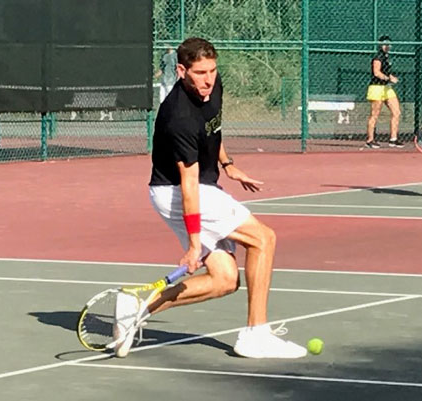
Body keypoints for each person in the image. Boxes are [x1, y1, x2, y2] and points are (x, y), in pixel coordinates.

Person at [113, 37, 307, 359]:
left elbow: (212, 130)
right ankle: (256, 334)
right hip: (178, 191)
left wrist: (228, 165)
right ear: (181, 71)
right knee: (263, 239)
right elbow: (188, 185)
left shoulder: (212, 88)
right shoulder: (177, 116)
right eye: (200, 73)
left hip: (194, 188)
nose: (208, 79)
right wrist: (193, 245)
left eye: (212, 71)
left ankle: (137, 306)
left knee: (225, 279)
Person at [365, 35, 404, 149]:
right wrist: (388, 78)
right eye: (384, 44)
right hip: (376, 88)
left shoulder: (387, 57)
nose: (387, 46)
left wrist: (392, 77)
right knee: (374, 115)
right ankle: (370, 140)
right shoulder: (378, 57)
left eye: (389, 44)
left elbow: (386, 72)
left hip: (387, 88)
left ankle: (393, 139)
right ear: (380, 44)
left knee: (396, 112)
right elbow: (377, 72)